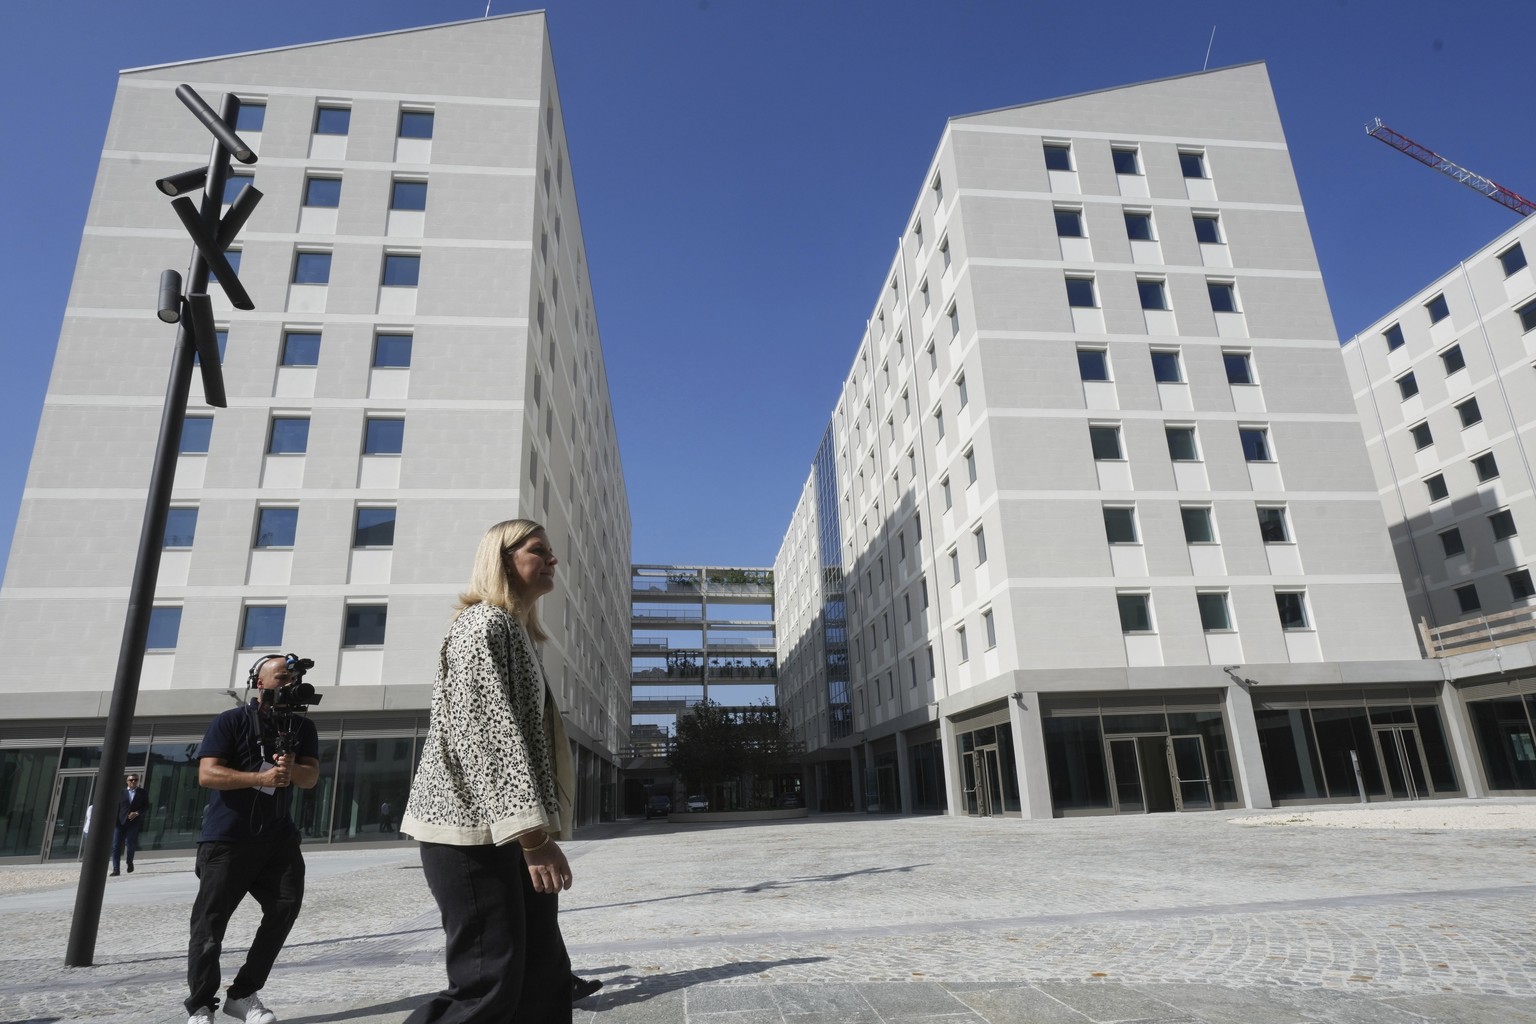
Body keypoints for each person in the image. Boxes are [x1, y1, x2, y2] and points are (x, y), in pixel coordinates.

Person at [401, 519, 579, 1023]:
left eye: (551, 552)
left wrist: (534, 832)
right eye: (538, 550)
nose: (552, 560)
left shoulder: (517, 633)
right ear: (503, 559)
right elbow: (486, 736)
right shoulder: (483, 624)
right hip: (470, 834)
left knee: (544, 975)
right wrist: (533, 837)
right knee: (488, 983)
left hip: (509, 830)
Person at [183, 655, 321, 1024]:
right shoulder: (230, 721)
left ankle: (243, 994)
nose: (289, 682)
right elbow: (208, 775)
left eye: (293, 677)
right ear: (260, 683)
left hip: (278, 837)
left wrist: (290, 771)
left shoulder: (302, 727)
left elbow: (311, 778)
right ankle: (199, 1004)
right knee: (210, 925)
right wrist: (258, 779)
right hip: (227, 837)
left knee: (285, 907)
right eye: (281, 676)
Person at [110, 772, 149, 875]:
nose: (133, 782)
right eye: (131, 780)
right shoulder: (121, 793)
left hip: (133, 822)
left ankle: (129, 862)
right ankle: (116, 869)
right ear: (127, 781)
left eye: (135, 780)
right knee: (116, 846)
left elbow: (146, 806)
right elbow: (115, 807)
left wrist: (137, 813)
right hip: (120, 822)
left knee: (130, 844)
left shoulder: (142, 792)